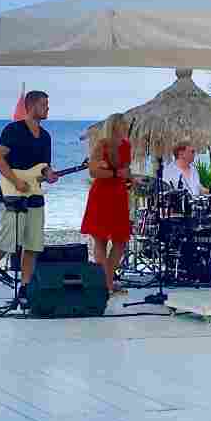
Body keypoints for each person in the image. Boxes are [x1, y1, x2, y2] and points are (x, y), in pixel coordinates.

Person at [0, 90, 59, 290]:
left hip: (35, 193)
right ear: (31, 106)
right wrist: (15, 181)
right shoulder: (13, 129)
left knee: (33, 244)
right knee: (8, 241)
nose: (48, 108)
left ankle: (25, 287)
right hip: (12, 193)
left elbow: (44, 167)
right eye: (44, 104)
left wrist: (49, 174)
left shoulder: (46, 136)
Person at [80, 113, 133, 296]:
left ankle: (107, 282)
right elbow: (93, 172)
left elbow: (125, 171)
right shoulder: (102, 144)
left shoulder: (126, 145)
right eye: (123, 124)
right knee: (101, 240)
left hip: (118, 194)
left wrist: (127, 177)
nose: (126, 126)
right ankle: (107, 283)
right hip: (103, 194)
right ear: (116, 126)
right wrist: (117, 174)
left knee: (120, 241)